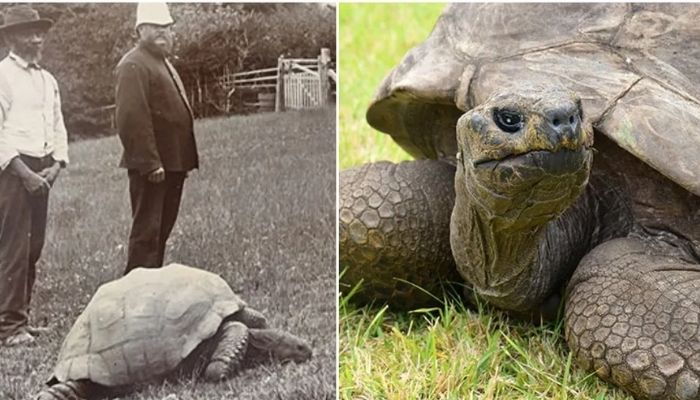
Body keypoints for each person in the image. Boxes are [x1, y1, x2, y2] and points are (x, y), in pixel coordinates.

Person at [0, 5, 69, 346]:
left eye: (40, 31)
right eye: (29, 31)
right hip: (13, 172)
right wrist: (24, 173)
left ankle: (20, 318)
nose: (38, 37)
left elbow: (57, 124)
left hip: (43, 167)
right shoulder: (2, 77)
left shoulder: (47, 79)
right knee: (13, 247)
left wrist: (57, 165)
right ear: (11, 37)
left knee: (34, 246)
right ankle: (10, 326)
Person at [115, 3, 198, 275]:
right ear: (140, 30)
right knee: (146, 236)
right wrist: (150, 163)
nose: (163, 32)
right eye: (155, 27)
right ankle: (135, 294)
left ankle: (151, 288)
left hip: (174, 163)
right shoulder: (133, 64)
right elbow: (131, 118)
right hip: (153, 167)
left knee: (160, 232)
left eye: (166, 27)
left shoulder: (163, 62)